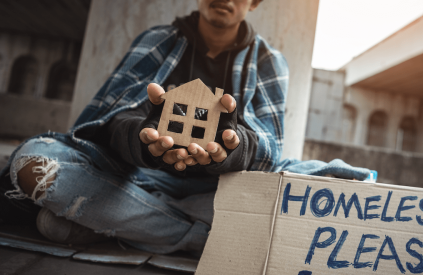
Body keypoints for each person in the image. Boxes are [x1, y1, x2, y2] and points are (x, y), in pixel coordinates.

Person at [0, 0, 371, 256]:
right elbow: (111, 121)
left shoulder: (270, 61)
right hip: (137, 180)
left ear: (254, 2)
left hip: (219, 192)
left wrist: (231, 147)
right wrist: (143, 139)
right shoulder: (156, 41)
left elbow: (267, 146)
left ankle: (122, 223)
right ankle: (197, 237)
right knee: (36, 164)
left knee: (333, 182)